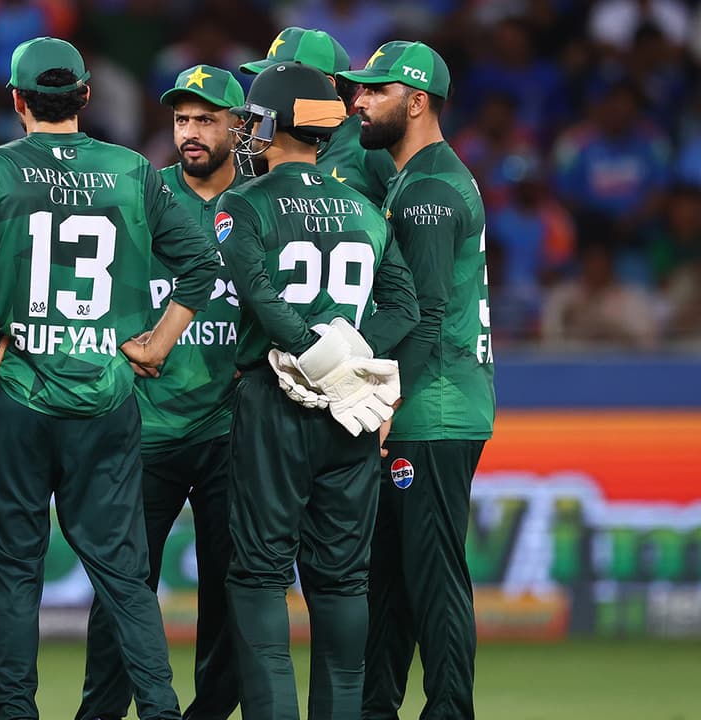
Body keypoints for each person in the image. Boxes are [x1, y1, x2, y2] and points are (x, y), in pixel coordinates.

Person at [0, 36, 219, 720]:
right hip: (105, 398)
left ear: (17, 100)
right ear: (86, 96)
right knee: (124, 576)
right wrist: (156, 344)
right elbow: (203, 264)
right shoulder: (131, 170)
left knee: (11, 572)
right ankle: (160, 711)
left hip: (18, 397)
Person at [217, 60, 418, 719]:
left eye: (254, 119)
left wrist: (311, 352)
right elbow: (405, 308)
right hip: (350, 411)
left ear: (275, 123)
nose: (247, 131)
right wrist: (349, 356)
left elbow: (259, 294)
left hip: (275, 401)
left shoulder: (243, 202)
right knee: (341, 582)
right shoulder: (365, 209)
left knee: (258, 575)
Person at [77, 63, 244, 720]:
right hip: (144, 427)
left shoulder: (259, 202)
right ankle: (100, 712)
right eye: (181, 120)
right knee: (122, 590)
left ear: (238, 127)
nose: (191, 132)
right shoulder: (141, 194)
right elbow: (90, 286)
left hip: (230, 428)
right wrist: (121, 346)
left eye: (206, 119)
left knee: (230, 594)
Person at [341, 40, 495, 719]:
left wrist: (383, 405)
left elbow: (425, 315)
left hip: (431, 408)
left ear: (417, 102)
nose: (359, 101)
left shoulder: (429, 191)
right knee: (394, 581)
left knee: (431, 578)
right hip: (429, 404)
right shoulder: (417, 177)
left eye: (376, 91)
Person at [240, 26, 394, 206]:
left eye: (279, 80)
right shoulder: (266, 144)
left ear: (327, 85)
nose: (267, 89)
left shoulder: (369, 148)